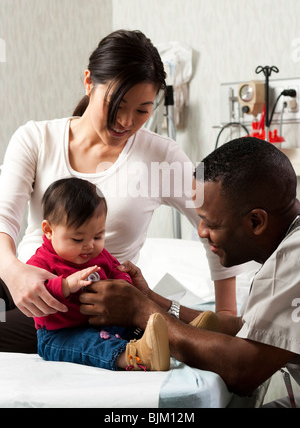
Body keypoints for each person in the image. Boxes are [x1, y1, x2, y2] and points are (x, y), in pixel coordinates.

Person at [0, 29, 241, 354]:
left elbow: (216, 223)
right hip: (28, 275)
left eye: (143, 110)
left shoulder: (161, 156)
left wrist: (226, 312)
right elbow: (4, 222)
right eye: (116, 104)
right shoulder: (34, 139)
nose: (126, 122)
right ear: (88, 82)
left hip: (89, 298)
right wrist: (14, 272)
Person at [79, 137, 300, 406]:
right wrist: (152, 300)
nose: (201, 232)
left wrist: (141, 312)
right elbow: (249, 327)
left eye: (210, 223)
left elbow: (242, 368)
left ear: (256, 221)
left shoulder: (293, 258)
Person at [28, 177, 170, 372]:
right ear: (49, 230)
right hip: (59, 334)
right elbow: (35, 292)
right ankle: (135, 356)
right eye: (78, 239)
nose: (89, 245)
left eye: (98, 236)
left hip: (102, 323)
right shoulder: (40, 263)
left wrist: (124, 283)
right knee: (91, 345)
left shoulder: (99, 255)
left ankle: (176, 335)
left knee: (138, 324)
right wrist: (66, 285)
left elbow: (116, 271)